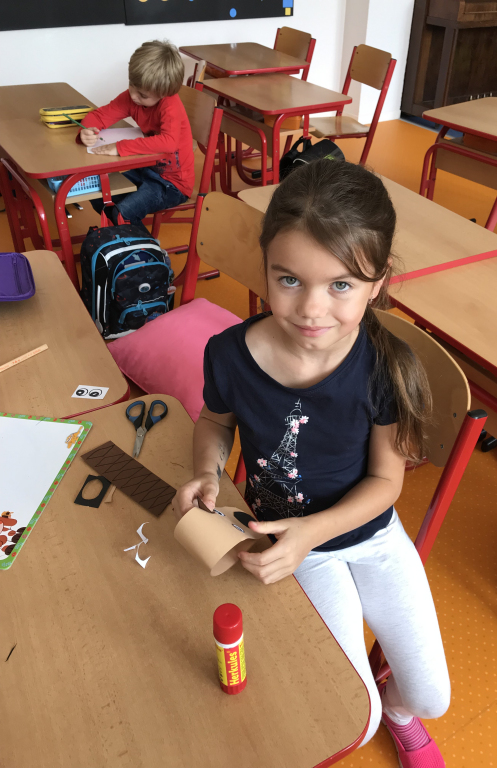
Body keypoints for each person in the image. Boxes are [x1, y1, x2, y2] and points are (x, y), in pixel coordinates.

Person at [173, 160, 450, 768]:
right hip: (290, 547)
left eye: (341, 285)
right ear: (266, 265)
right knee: (353, 716)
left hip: (370, 537)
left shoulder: (384, 366)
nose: (311, 309)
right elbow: (215, 422)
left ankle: (400, 713)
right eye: (290, 279)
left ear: (378, 281)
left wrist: (311, 532)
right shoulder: (229, 354)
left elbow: (386, 482)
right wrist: (206, 472)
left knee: (431, 697)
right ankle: (381, 714)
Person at [77, 40, 193, 229]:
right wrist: (86, 130)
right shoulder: (133, 97)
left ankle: (146, 247)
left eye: (143, 95)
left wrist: (120, 147)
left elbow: (169, 142)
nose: (133, 96)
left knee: (123, 213)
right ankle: (122, 240)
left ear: (163, 94)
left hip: (172, 184)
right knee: (98, 196)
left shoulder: (169, 104)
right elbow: (99, 115)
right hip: (144, 170)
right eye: (131, 85)